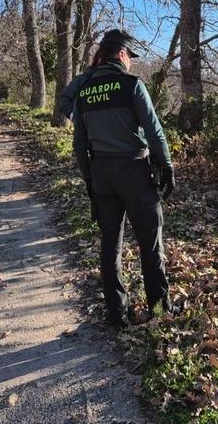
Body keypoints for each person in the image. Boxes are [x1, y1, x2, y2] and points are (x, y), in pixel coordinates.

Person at [71, 29, 179, 327]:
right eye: (130, 56)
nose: (130, 62)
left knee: (110, 246)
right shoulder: (131, 85)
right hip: (133, 172)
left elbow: (79, 144)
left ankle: (116, 314)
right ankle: (160, 310)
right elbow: (154, 130)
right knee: (150, 244)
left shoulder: (83, 89)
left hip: (101, 173)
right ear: (121, 54)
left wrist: (90, 182)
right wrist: (167, 166)